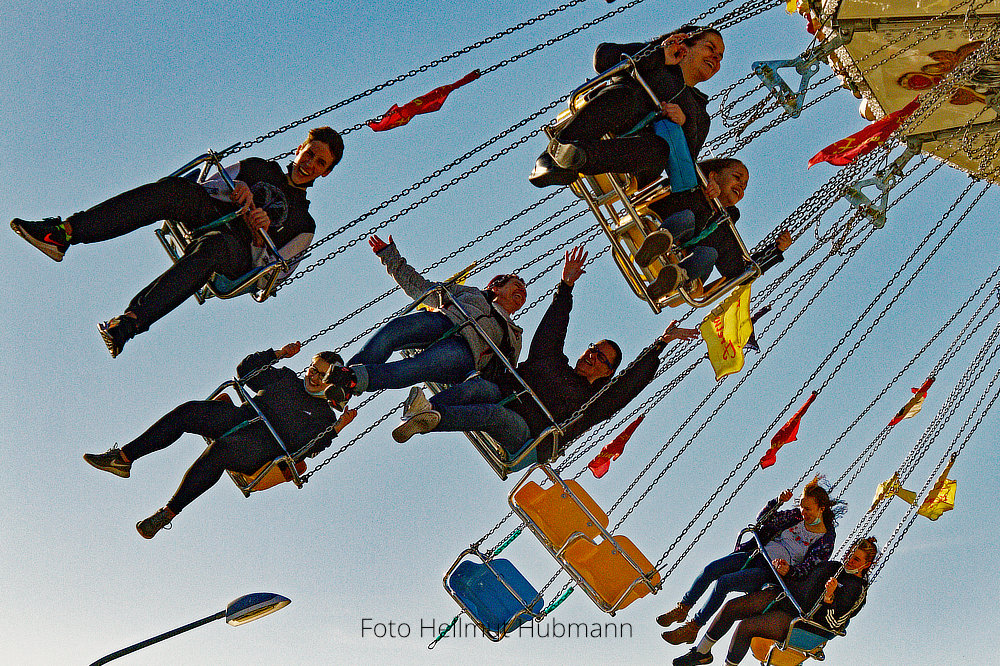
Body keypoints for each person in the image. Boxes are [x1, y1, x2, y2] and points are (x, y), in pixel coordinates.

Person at [11, 126, 344, 358]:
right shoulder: (258, 167)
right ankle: (64, 233)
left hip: (234, 249)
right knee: (175, 190)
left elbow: (271, 277)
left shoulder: (304, 225)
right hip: (213, 211)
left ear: (325, 173)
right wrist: (234, 190)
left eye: (320, 163)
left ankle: (130, 322)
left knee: (213, 248)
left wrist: (262, 236)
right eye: (310, 153)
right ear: (300, 148)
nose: (310, 164)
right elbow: (207, 182)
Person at [389, 245, 700, 464]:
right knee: (478, 387)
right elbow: (552, 331)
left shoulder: (593, 401)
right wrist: (565, 287)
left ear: (607, 373)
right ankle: (425, 412)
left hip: (530, 436)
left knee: (492, 415)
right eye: (593, 350)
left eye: (601, 359)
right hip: (505, 394)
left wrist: (660, 344)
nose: (592, 357)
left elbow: (629, 385)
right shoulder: (551, 364)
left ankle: (432, 419)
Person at [82, 342, 356, 539]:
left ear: (333, 380)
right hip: (240, 418)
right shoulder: (286, 379)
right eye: (312, 368)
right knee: (190, 411)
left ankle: (167, 513)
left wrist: (337, 430)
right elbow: (244, 370)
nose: (312, 375)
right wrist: (277, 354)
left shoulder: (323, 415)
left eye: (321, 374)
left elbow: (309, 450)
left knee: (223, 450)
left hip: (261, 448)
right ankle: (123, 458)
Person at [321, 234, 525, 409]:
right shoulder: (470, 293)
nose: (521, 292)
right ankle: (343, 381)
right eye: (516, 286)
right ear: (496, 287)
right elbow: (422, 289)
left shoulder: (514, 334)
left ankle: (354, 378)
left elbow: (506, 372)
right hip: (445, 320)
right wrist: (390, 257)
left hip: (466, 350)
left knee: (417, 367)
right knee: (395, 331)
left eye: (524, 293)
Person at [530, 26, 724, 188]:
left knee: (660, 151)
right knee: (625, 96)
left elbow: (685, 163)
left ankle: (577, 157)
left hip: (636, 154)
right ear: (684, 42)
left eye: (720, 57)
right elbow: (603, 58)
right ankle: (557, 154)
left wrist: (684, 123)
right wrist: (658, 54)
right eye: (710, 47)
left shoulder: (699, 113)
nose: (715, 58)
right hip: (614, 112)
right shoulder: (654, 56)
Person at [659, 477, 842, 645]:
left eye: (808, 509)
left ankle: (693, 627)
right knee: (710, 570)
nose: (803, 512)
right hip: (756, 554)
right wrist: (777, 502)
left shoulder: (825, 539)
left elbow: (809, 568)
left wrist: (789, 571)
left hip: (771, 573)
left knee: (724, 583)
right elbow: (762, 520)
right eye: (801, 506)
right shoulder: (795, 516)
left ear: (822, 508)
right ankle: (683, 608)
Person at [672, 537, 878, 665]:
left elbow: (836, 623)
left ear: (867, 564)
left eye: (857, 559)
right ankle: (702, 653)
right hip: (785, 597)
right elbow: (802, 577)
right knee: (732, 607)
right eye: (851, 554)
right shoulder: (832, 567)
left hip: (803, 621)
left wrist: (828, 597)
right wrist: (787, 571)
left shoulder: (857, 588)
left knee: (746, 627)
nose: (850, 559)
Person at [633, 158, 793, 297]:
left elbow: (739, 272)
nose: (740, 187)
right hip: (660, 224)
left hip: (683, 262)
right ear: (713, 175)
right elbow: (666, 189)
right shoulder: (691, 183)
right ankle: (657, 244)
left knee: (709, 254)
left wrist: (775, 251)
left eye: (744, 187)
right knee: (687, 218)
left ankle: (673, 279)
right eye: (737, 178)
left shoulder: (725, 226)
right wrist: (704, 193)